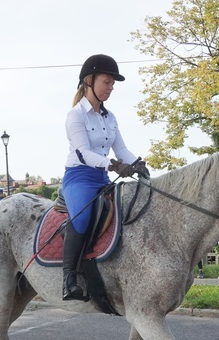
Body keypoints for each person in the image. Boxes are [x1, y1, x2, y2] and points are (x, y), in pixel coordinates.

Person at [61, 54, 148, 300]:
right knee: (82, 217)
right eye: (107, 82)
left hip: (102, 178)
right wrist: (113, 164)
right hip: (79, 177)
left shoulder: (110, 118)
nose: (111, 88)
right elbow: (83, 153)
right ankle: (69, 278)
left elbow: (121, 149)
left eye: (112, 84)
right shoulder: (75, 115)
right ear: (89, 80)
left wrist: (137, 164)